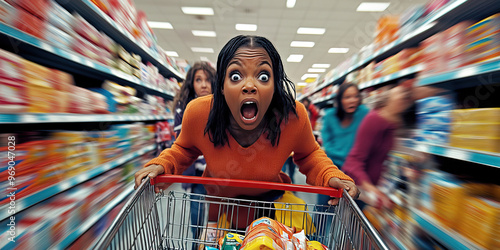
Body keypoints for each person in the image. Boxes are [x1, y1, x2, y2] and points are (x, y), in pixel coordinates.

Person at [134, 35, 359, 229]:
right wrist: (162, 164)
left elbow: (309, 154)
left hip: (272, 211)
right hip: (221, 212)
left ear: (275, 85)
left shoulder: (292, 116)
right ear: (221, 85)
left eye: (263, 76)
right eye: (235, 76)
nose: (249, 85)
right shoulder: (199, 113)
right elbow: (183, 149)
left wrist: (331, 175)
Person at [343, 83, 413, 209]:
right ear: (387, 99)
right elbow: (354, 160)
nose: (404, 94)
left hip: (382, 189)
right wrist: (371, 189)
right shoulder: (374, 120)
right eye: (399, 92)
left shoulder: (395, 123)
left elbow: (390, 156)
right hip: (362, 190)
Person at [170, 61, 216, 238]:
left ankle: (212, 243)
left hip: (220, 171)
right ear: (192, 83)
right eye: (198, 80)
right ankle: (196, 242)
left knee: (219, 213)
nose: (204, 84)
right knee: (196, 210)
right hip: (197, 172)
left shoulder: (223, 106)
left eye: (208, 79)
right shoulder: (184, 107)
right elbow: (181, 142)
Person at [317, 83, 369, 209]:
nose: (352, 100)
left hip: (356, 170)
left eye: (356, 96)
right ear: (340, 100)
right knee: (324, 207)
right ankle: (319, 229)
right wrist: (349, 157)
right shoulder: (330, 116)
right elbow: (327, 144)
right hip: (333, 168)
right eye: (347, 97)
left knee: (356, 212)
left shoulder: (364, 113)